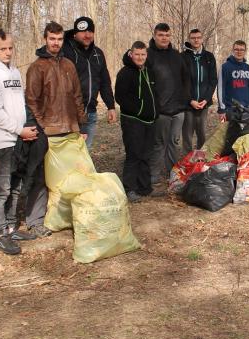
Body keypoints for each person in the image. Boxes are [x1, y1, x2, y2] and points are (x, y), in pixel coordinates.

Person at [0, 29, 40, 255]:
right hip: (0, 140)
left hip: (18, 138)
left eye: (10, 48)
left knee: (15, 187)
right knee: (2, 188)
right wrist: (18, 129)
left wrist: (26, 129)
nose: (7, 52)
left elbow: (18, 104)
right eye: (2, 49)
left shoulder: (13, 71)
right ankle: (0, 233)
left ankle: (11, 226)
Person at [25, 21, 87, 237]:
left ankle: (66, 216)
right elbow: (32, 101)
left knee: (69, 176)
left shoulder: (69, 65)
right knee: (41, 177)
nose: (56, 43)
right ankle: (35, 219)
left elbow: (77, 96)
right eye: (52, 39)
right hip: (47, 131)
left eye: (59, 39)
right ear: (45, 39)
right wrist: (41, 126)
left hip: (70, 129)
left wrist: (82, 124)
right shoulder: (37, 67)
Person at [62, 16, 116, 150]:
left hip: (90, 113)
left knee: (85, 154)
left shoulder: (98, 54)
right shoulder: (65, 52)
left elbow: (104, 82)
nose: (87, 35)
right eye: (83, 31)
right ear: (75, 33)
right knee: (69, 155)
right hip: (70, 114)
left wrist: (110, 106)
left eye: (90, 31)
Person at [115, 41, 158, 202]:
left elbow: (154, 94)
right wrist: (139, 109)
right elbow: (120, 97)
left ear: (146, 55)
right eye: (137, 54)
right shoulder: (125, 73)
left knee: (146, 154)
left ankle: (145, 187)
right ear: (131, 54)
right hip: (133, 120)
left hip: (149, 121)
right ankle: (129, 188)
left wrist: (155, 111)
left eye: (143, 54)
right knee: (134, 154)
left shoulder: (149, 72)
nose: (140, 57)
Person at [147, 23, 190, 182]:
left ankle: (173, 175)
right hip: (160, 111)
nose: (164, 38)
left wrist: (185, 100)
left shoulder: (176, 56)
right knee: (158, 144)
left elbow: (186, 78)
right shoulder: (148, 55)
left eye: (167, 35)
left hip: (178, 110)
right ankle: (153, 176)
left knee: (175, 143)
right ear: (155, 36)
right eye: (161, 35)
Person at [182, 28, 217, 154]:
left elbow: (213, 80)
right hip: (188, 104)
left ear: (202, 39)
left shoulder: (209, 57)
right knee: (187, 135)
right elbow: (181, 82)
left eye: (198, 37)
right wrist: (190, 100)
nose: (196, 40)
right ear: (189, 39)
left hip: (203, 103)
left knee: (201, 134)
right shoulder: (183, 57)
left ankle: (200, 159)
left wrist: (206, 99)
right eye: (193, 38)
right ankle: (187, 160)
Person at [217, 40, 249, 122]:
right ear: (233, 50)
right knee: (231, 134)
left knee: (247, 134)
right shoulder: (225, 67)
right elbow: (220, 88)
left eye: (242, 50)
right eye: (236, 49)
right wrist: (221, 109)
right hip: (230, 109)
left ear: (245, 51)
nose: (239, 52)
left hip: (247, 109)